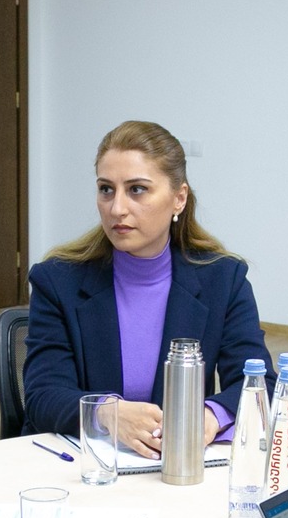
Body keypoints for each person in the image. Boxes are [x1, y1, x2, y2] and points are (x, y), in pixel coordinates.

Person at [22, 121, 272, 456]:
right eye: (106, 189)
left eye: (137, 189)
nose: (117, 208)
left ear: (179, 198)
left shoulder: (223, 279)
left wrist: (210, 416)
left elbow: (259, 384)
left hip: (177, 465)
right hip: (85, 466)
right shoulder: (57, 281)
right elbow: (43, 396)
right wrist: (107, 413)